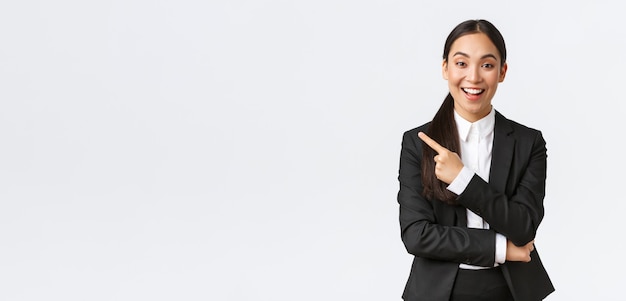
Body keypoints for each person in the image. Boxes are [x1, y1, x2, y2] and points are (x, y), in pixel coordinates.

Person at [397, 19, 555, 301]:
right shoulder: (417, 143)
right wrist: (500, 249)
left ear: (502, 72)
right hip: (437, 291)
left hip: (510, 290)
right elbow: (417, 235)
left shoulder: (529, 143)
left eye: (487, 65)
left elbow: (523, 227)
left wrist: (463, 180)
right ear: (445, 68)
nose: (473, 77)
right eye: (461, 63)